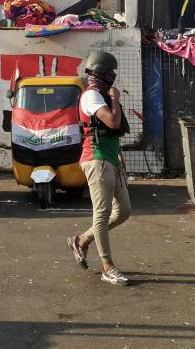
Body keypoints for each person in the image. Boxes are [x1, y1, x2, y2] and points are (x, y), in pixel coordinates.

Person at [67, 51, 132, 286]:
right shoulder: (92, 96)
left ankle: (82, 240)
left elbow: (113, 131)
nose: (114, 76)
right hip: (96, 158)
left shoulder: (102, 94)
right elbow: (112, 122)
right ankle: (108, 267)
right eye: (111, 72)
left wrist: (118, 154)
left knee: (123, 211)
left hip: (110, 157)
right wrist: (115, 99)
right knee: (102, 214)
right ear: (102, 73)